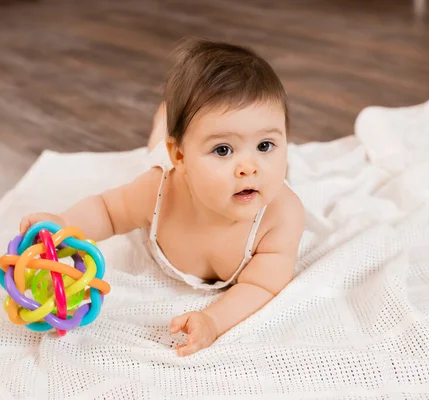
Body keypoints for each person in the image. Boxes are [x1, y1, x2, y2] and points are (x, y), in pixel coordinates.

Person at [19, 38, 305, 357]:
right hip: (171, 163)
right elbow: (108, 211)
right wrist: (64, 224)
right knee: (157, 143)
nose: (249, 168)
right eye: (223, 150)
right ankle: (165, 119)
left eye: (265, 146)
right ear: (179, 156)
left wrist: (213, 321)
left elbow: (261, 286)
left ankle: (178, 122)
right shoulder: (159, 191)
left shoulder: (281, 217)